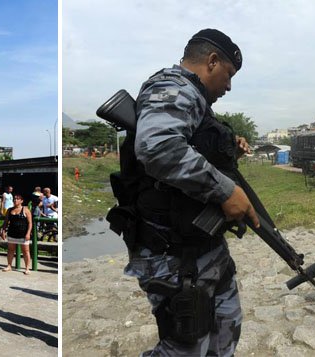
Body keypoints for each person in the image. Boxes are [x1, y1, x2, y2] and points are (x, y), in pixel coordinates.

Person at [110, 29, 256, 356]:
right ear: (212, 61)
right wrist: (226, 191)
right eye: (228, 75)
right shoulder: (172, 87)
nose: (229, 86)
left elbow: (191, 147)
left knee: (225, 328)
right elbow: (158, 147)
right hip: (172, 252)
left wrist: (228, 149)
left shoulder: (195, 99)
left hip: (203, 246)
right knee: (185, 347)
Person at [0, 194, 32, 275]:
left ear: (21, 201)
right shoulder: (9, 210)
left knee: (26, 251)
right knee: (10, 250)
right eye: (14, 199)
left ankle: (27, 268)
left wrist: (28, 233)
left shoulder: (26, 210)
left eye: (17, 199)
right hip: (12, 233)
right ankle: (9, 265)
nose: (15, 200)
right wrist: (3, 231)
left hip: (23, 234)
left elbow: (30, 223)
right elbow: (6, 222)